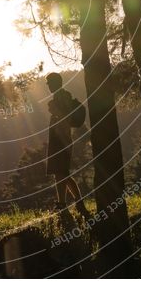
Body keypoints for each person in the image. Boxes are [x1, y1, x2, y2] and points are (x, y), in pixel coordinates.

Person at [44, 72, 89, 216]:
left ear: (56, 83)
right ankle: (77, 201)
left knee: (60, 172)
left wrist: (54, 111)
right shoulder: (61, 95)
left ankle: (62, 204)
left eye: (50, 83)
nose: (49, 86)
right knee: (62, 173)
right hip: (60, 140)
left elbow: (65, 117)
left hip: (61, 140)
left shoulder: (62, 96)